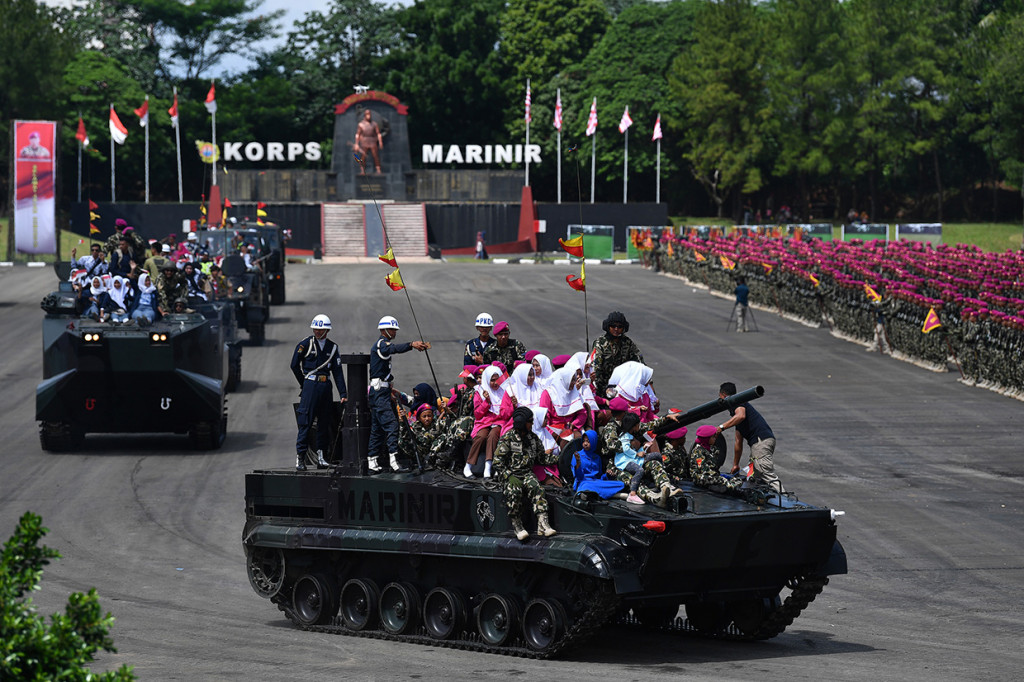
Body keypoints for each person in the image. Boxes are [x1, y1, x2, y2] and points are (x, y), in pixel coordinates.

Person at [367, 315, 430, 474]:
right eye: (392, 329)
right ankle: (394, 463)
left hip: (382, 391)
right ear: (383, 330)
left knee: (377, 429)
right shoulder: (382, 344)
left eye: (395, 329)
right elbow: (393, 349)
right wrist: (411, 345)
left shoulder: (383, 344)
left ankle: (372, 461)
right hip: (379, 393)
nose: (394, 332)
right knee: (392, 425)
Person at [290, 315, 348, 470]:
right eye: (315, 328)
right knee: (306, 422)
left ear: (327, 330)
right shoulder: (306, 344)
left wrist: (343, 393)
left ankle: (321, 457)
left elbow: (337, 372)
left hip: (325, 386)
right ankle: (300, 458)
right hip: (311, 384)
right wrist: (304, 383)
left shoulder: (333, 347)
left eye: (321, 329)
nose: (317, 331)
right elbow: (294, 364)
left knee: (324, 422)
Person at [493, 406, 560, 541]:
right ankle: (517, 524)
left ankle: (543, 523)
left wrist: (560, 458)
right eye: (530, 421)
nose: (532, 423)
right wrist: (508, 475)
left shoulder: (533, 439)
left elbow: (541, 458)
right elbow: (497, 461)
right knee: (514, 491)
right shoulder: (508, 438)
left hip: (526, 473)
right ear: (522, 423)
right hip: (511, 474)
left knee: (537, 488)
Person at [716, 382, 784, 493]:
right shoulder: (736, 414)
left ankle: (786, 500)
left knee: (766, 473)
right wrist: (735, 465)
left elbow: (741, 416)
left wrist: (721, 427)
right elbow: (738, 442)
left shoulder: (737, 402)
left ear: (723, 395)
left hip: (760, 442)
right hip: (762, 441)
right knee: (755, 476)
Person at [613, 413, 674, 506]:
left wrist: (643, 448)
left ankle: (665, 480)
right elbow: (626, 449)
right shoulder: (624, 437)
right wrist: (637, 453)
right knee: (640, 471)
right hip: (625, 461)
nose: (639, 426)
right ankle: (632, 494)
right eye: (638, 425)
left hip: (634, 458)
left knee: (657, 455)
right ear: (634, 426)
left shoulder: (630, 435)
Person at [466, 366, 512, 479]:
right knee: (480, 437)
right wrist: (486, 402)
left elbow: (507, 413)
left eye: (497, 379)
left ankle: (488, 466)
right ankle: (468, 465)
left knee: (493, 435)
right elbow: (477, 413)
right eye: (492, 380)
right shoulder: (480, 392)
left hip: (500, 421)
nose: (495, 383)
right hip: (484, 421)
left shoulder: (505, 391)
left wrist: (513, 404)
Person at [590, 311, 644, 397]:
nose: (616, 329)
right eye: (613, 326)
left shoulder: (627, 342)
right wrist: (601, 388)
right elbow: (596, 367)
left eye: (620, 327)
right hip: (603, 387)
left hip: (623, 386)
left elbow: (639, 361)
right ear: (608, 326)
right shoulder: (600, 343)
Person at [571, 430, 625, 499]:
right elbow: (578, 477)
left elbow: (599, 476)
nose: (585, 444)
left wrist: (607, 475)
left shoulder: (597, 457)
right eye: (584, 441)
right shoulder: (577, 455)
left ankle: (595, 493)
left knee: (620, 484)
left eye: (588, 441)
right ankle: (606, 493)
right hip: (584, 482)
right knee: (586, 486)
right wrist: (578, 462)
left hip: (596, 482)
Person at [690, 425, 744, 493]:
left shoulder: (710, 448)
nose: (715, 439)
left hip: (711, 476)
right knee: (730, 484)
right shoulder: (698, 452)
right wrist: (720, 479)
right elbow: (704, 471)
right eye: (713, 437)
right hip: (702, 478)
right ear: (707, 439)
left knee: (735, 480)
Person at [539, 366, 588, 435]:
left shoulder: (574, 391)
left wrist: (574, 424)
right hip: (554, 429)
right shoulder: (548, 394)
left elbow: (582, 413)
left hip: (571, 427)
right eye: (572, 380)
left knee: (579, 439)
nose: (574, 383)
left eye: (574, 380)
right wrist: (552, 432)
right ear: (563, 380)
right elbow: (545, 417)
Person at [355, 109, 383, 174]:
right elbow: (357, 134)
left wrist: (380, 141)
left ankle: (378, 169)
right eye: (367, 114)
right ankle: (362, 169)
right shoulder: (361, 124)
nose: (368, 116)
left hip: (372, 141)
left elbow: (378, 133)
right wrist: (356, 144)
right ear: (365, 115)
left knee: (375, 155)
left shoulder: (374, 124)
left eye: (369, 114)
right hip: (364, 141)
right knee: (363, 156)